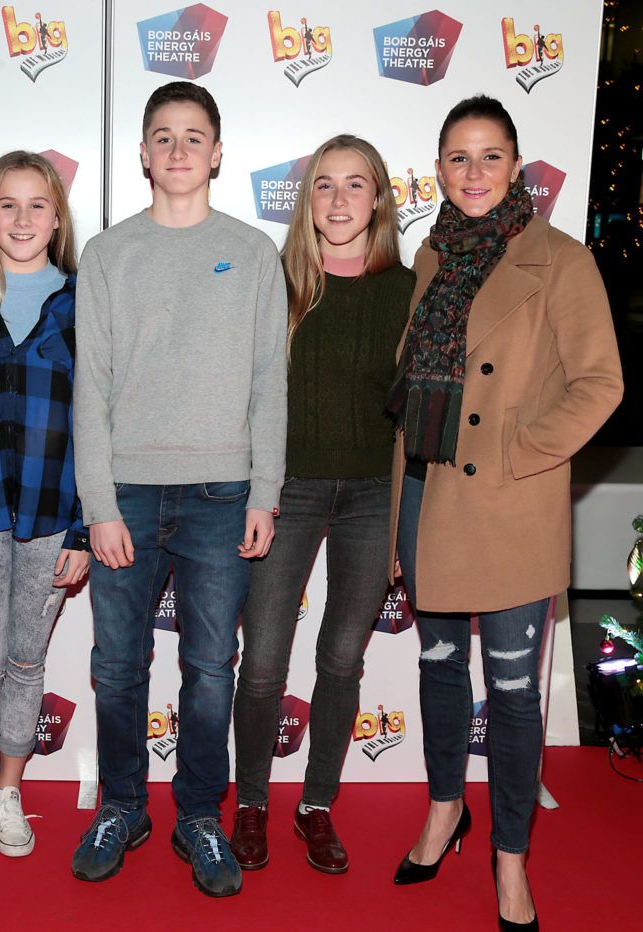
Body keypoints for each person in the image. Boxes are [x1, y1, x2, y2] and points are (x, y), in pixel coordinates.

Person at [386, 96, 623, 931]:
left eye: (491, 156)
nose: (474, 173)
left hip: (507, 503)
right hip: (427, 495)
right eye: (458, 157)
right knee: (440, 668)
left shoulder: (561, 259)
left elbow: (602, 383)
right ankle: (447, 810)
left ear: (517, 165)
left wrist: (521, 454)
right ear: (440, 169)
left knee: (515, 697)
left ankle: (511, 860)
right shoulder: (431, 259)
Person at [70, 81, 287, 898]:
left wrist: (264, 491)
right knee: (118, 667)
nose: (178, 150)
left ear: (219, 151)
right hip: (127, 491)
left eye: (194, 136)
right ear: (143, 153)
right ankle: (123, 806)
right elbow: (89, 389)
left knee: (208, 668)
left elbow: (271, 383)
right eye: (163, 136)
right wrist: (98, 504)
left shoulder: (255, 253)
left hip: (222, 497)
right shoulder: (107, 254)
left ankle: (199, 814)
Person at [230, 135, 414, 874]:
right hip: (289, 491)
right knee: (266, 662)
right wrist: (257, 493)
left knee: (341, 659)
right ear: (307, 201)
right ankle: (249, 804)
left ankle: (315, 805)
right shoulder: (275, 282)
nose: (339, 201)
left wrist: (410, 521)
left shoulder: (407, 290)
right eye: (325, 186)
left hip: (374, 494)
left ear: (379, 199)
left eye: (355, 185)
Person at [0, 151, 90, 872]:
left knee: (27, 662)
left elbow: (102, 421)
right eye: (8, 204)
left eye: (38, 205)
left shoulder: (86, 301)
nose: (24, 218)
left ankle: (9, 791)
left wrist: (89, 527)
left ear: (58, 217)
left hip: (51, 515)